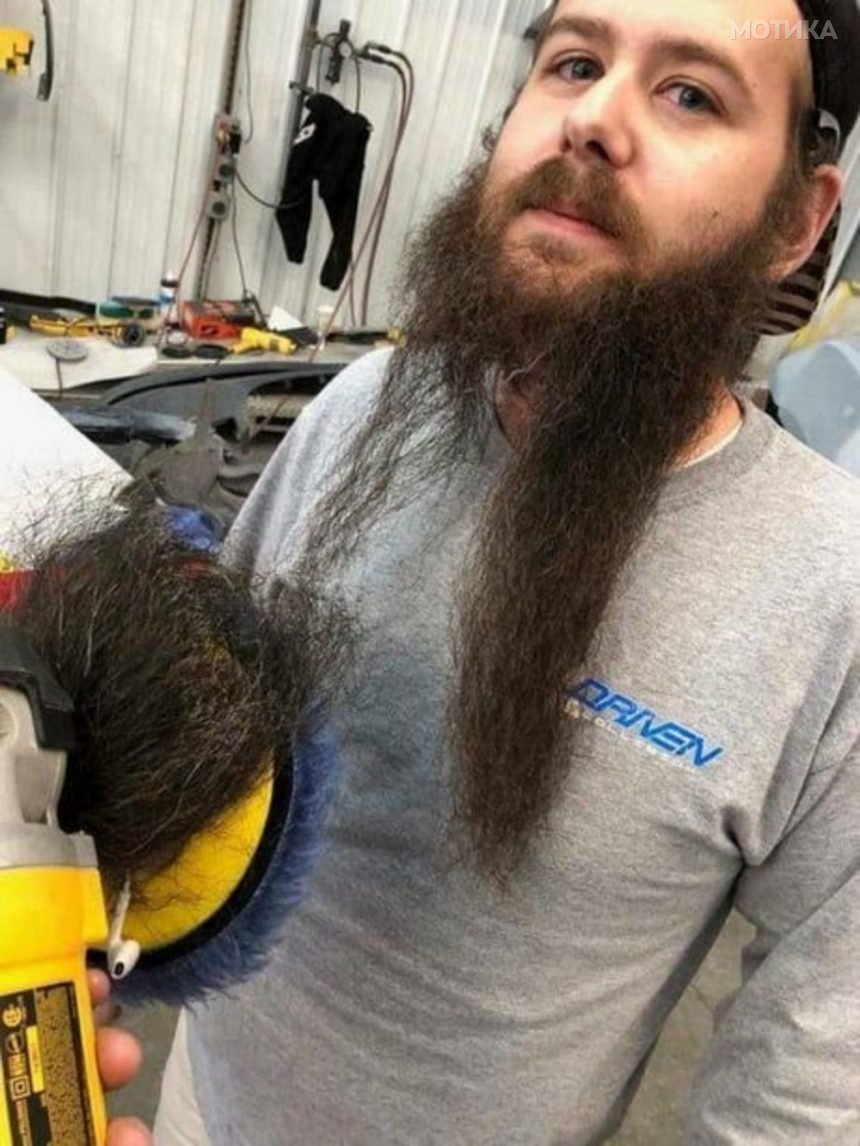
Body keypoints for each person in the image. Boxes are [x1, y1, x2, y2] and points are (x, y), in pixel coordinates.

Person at [156, 0, 860, 1141]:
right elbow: (207, 716)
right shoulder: (362, 407)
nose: (593, 119)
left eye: (689, 93)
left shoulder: (832, 592)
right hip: (193, 1106)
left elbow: (808, 1078)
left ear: (795, 221)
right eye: (573, 62)